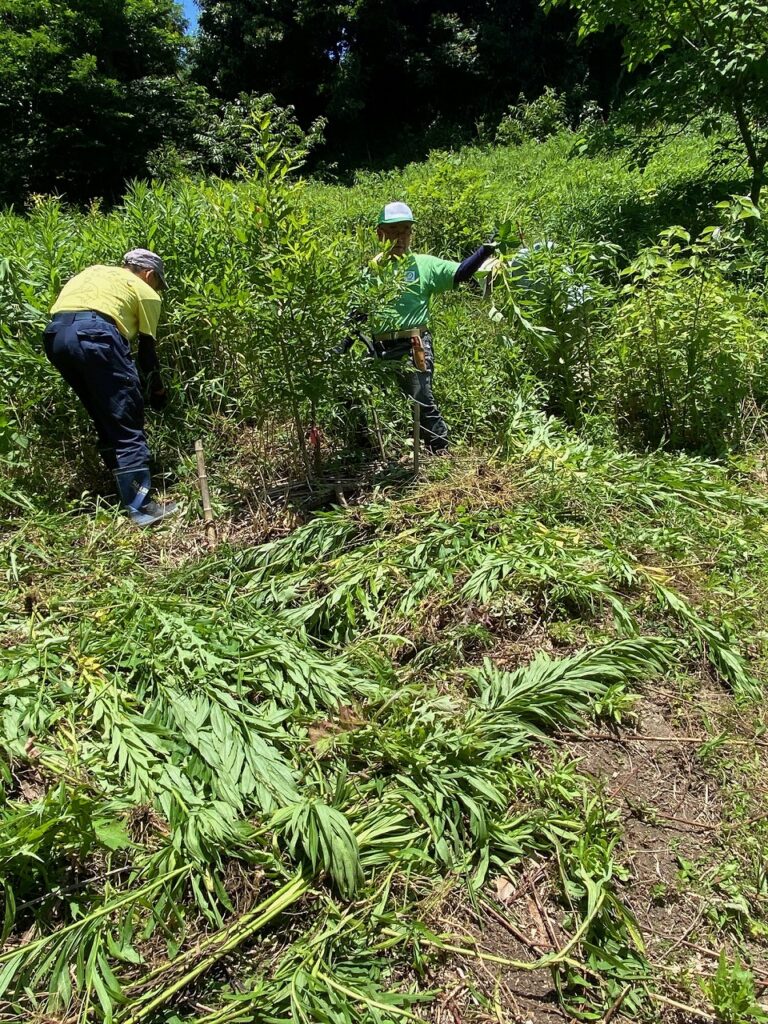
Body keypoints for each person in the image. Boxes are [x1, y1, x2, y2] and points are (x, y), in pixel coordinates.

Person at [338, 202, 495, 454]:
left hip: (413, 345)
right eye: (393, 231)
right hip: (379, 347)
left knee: (420, 399)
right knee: (349, 387)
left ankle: (440, 451)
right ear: (380, 234)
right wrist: (341, 347)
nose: (399, 237)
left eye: (405, 231)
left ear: (411, 234)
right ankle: (362, 445)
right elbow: (358, 314)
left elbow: (460, 274)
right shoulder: (371, 271)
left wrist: (484, 251)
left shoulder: (424, 265)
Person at [42, 249, 176, 526]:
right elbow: (147, 354)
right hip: (97, 337)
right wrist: (158, 392)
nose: (156, 288)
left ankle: (123, 496)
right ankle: (142, 510)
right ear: (149, 274)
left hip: (56, 337)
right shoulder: (145, 291)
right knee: (127, 421)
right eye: (157, 282)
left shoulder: (93, 272)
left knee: (104, 416)